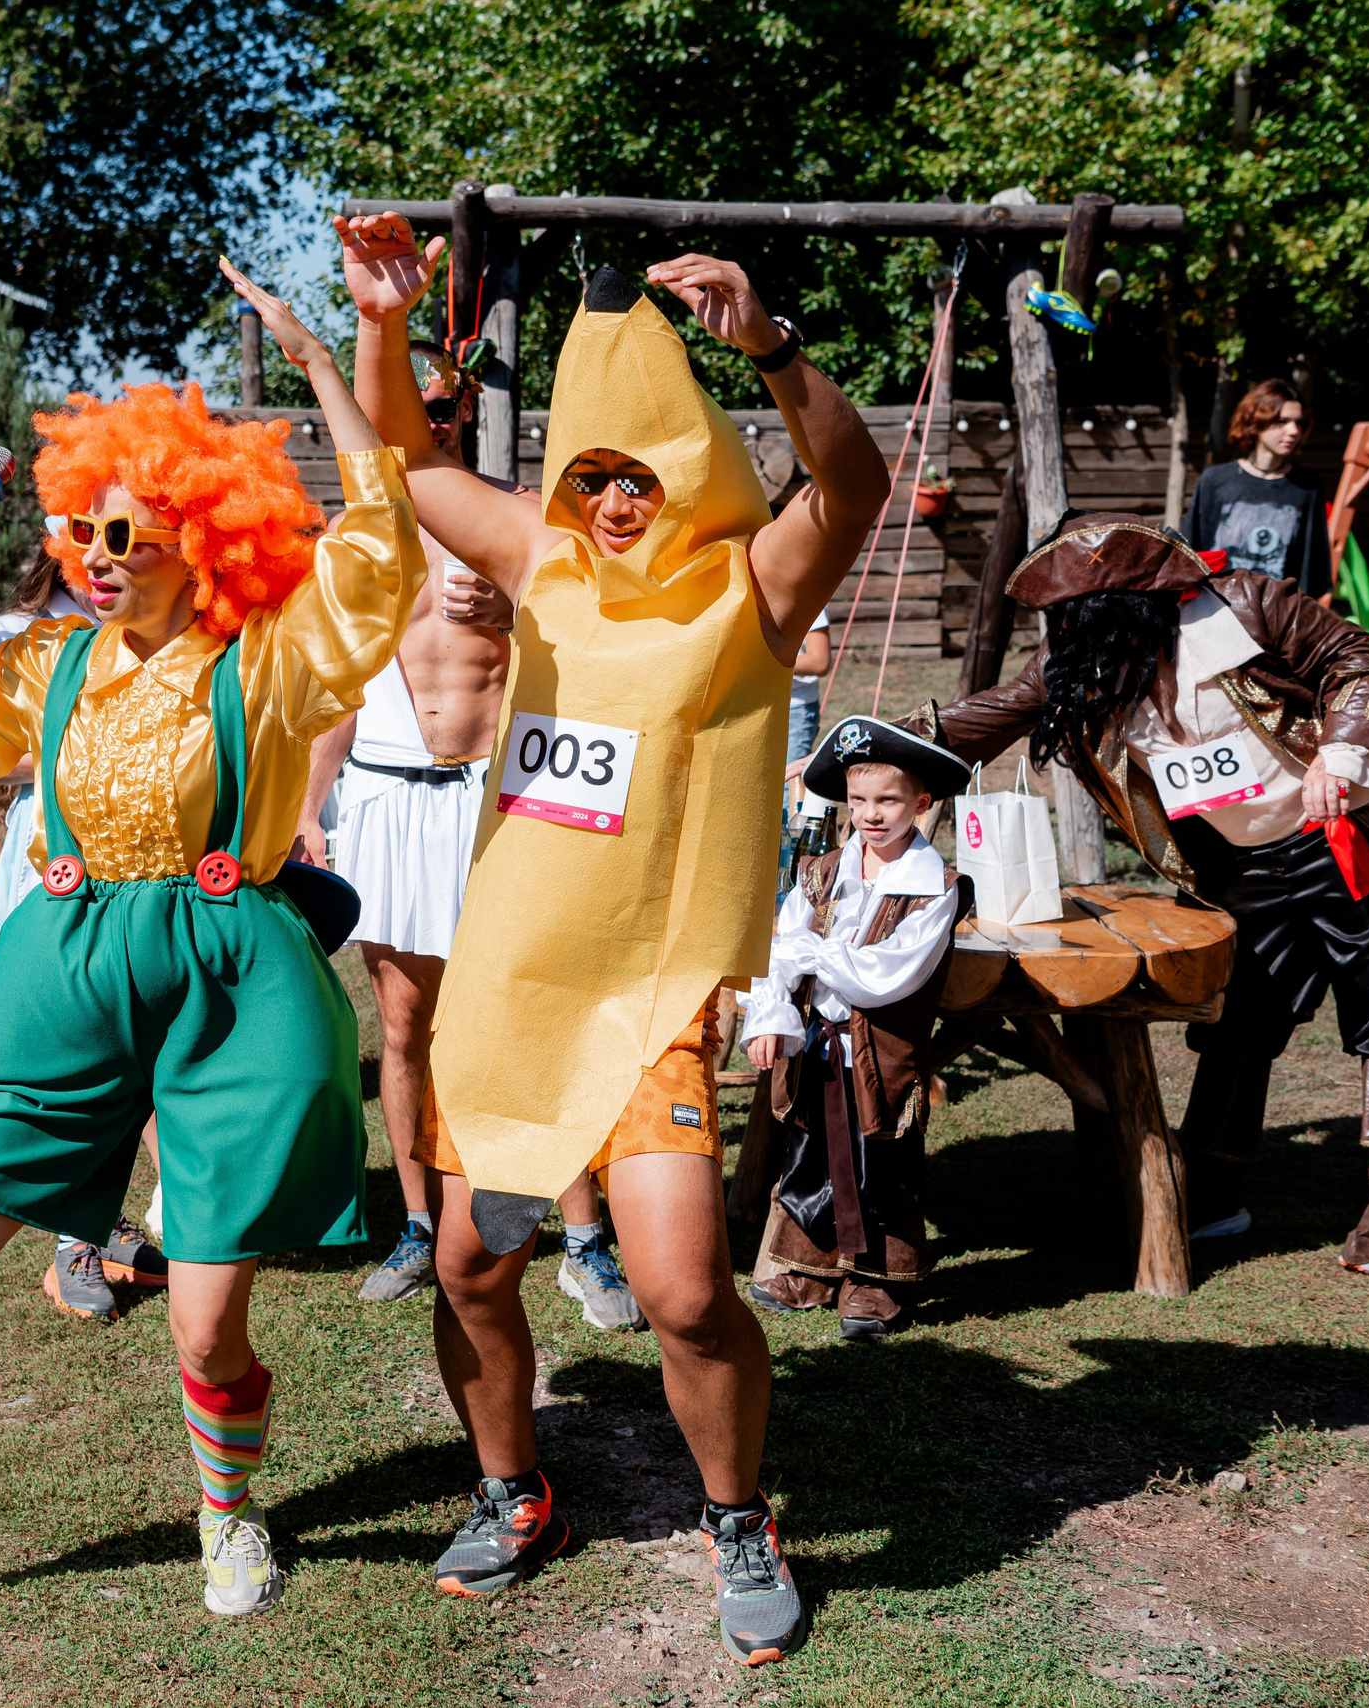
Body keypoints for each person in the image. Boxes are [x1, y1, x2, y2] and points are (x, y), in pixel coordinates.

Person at [0, 259, 422, 1654]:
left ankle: (226, 1507)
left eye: (126, 527)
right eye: (83, 534)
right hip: (63, 966)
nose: (100, 552)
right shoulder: (48, 667)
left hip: (231, 982)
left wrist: (326, 368)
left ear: (200, 532)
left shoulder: (272, 663)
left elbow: (383, 555)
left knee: (201, 1328)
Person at [340, 215, 890, 1666]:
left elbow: (855, 480)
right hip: (516, 989)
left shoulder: (753, 590)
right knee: (468, 1268)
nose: (614, 499)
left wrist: (767, 347)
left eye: (639, 474)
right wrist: (383, 326)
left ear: (689, 470)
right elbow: (414, 463)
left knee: (686, 1290)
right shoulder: (544, 563)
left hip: (652, 1005)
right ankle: (516, 1492)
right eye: (590, 475)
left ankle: (737, 1515)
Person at [915, 511, 1369, 1274]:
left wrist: (1343, 751)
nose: (1068, 634)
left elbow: (1360, 659)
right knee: (1240, 1016)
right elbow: (991, 714)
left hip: (1338, 842)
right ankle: (1214, 1182)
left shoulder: (1247, 605)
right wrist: (869, 753)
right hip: (1241, 865)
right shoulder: (1084, 655)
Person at [304, 338, 642, 1332]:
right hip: (388, 795)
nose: (430, 420)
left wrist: (514, 609)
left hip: (503, 795)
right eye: (412, 405)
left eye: (442, 405)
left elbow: (605, 647)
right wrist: (304, 805)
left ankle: (582, 1236)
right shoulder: (355, 536)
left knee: (542, 1014)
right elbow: (334, 686)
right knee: (406, 1026)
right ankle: (417, 1221)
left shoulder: (525, 514)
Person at [0, 544, 164, 1322]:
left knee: (137, 1042)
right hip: (60, 859)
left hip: (144, 863)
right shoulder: (16, 633)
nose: (105, 552)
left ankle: (103, 1223)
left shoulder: (171, 626)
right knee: (71, 1047)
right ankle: (75, 1237)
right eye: (87, 530)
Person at [739, 717, 971, 1339]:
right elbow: (774, 954)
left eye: (889, 800)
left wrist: (809, 955)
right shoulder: (821, 873)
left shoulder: (934, 890)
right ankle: (812, 1266)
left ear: (921, 805)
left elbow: (883, 975)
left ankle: (875, 1281)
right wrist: (775, 1015)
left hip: (881, 1052)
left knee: (878, 1163)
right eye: (859, 799)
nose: (871, 815)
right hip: (818, 1044)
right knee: (814, 1151)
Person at [1180, 379, 1332, 601]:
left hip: (1278, 617)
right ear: (1256, 421)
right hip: (1216, 610)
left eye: (1298, 423)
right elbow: (1190, 551)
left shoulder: (1306, 486)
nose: (1293, 430)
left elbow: (1314, 563)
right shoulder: (1216, 480)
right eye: (1282, 421)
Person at [787, 608, 833, 765]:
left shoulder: (808, 590)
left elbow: (819, 661)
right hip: (749, 707)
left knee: (786, 786)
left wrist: (758, 664)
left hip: (793, 708)